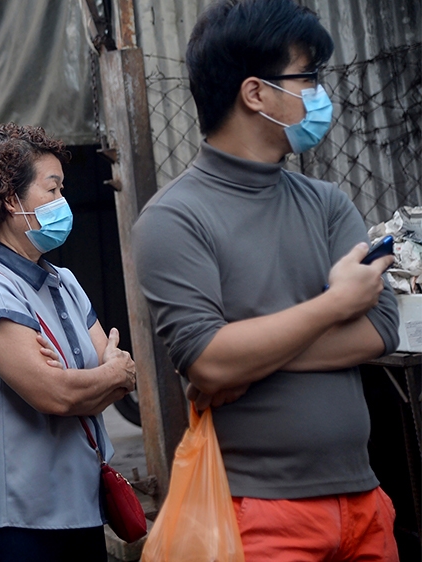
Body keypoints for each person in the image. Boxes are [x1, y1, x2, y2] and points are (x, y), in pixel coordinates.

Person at [132, 1, 400, 559]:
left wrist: (245, 353)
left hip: (364, 499)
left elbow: (380, 327)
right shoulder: (173, 219)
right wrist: (332, 306)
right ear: (255, 93)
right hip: (257, 514)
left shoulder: (328, 203)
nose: (319, 94)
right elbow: (209, 359)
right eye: (308, 77)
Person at [0, 124, 137, 561]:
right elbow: (56, 393)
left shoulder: (62, 282)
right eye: (52, 190)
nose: (62, 203)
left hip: (82, 507)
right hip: (16, 521)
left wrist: (97, 378)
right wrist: (101, 375)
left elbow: (115, 378)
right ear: (11, 200)